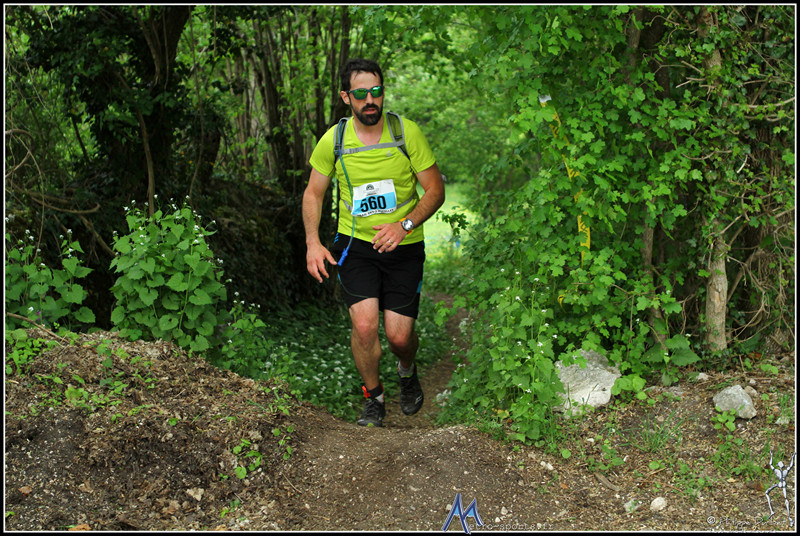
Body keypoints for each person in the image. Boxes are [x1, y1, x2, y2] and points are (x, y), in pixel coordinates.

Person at [302, 58, 445, 427]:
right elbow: (314, 193)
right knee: (365, 327)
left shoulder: (405, 132)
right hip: (356, 246)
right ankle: (374, 399)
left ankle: (406, 369)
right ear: (345, 97)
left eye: (376, 92)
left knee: (399, 338)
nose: (370, 100)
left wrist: (404, 225)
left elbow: (435, 190)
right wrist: (313, 243)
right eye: (361, 93)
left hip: (404, 245)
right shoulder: (334, 140)